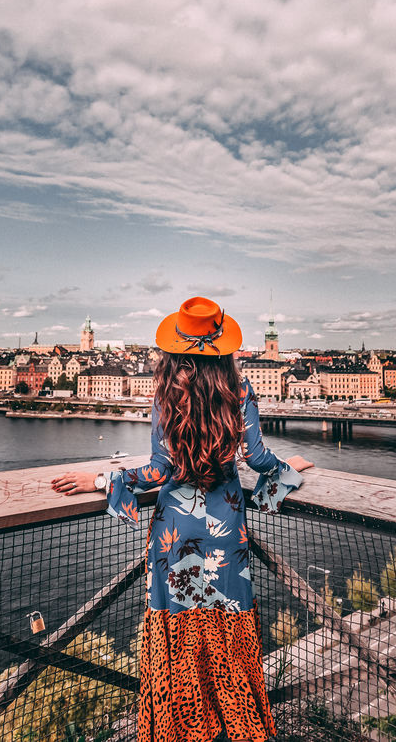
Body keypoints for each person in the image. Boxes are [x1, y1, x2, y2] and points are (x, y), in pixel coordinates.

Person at [52, 296, 313, 742]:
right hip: (227, 523)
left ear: (176, 345)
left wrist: (100, 479)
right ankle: (237, 722)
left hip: (176, 529)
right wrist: (290, 469)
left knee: (177, 628)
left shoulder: (167, 393)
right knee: (228, 626)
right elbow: (257, 457)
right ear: (223, 345)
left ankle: (178, 727)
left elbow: (159, 471)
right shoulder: (241, 389)